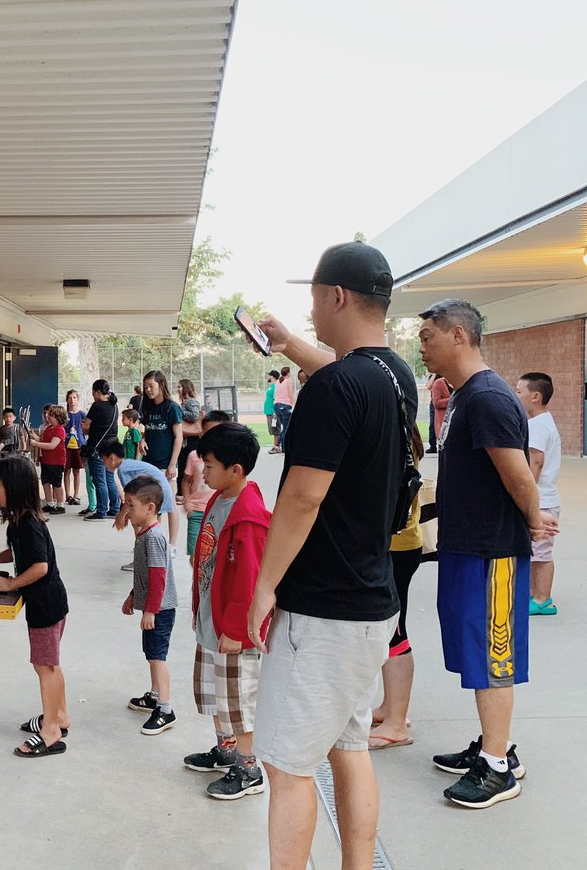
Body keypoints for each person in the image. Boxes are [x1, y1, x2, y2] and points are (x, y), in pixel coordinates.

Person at [248, 242, 413, 868]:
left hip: (320, 613)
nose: (312, 307)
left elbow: (302, 498)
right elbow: (346, 373)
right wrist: (290, 343)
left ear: (336, 296)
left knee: (287, 767)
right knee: (349, 748)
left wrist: (265, 587)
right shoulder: (394, 378)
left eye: (314, 295)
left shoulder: (334, 387)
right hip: (372, 603)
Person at [418, 299, 558, 808]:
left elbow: (518, 472)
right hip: (465, 546)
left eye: (429, 336)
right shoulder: (463, 396)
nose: (422, 346)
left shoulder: (488, 397)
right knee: (474, 655)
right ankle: (494, 747)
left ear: (459, 335)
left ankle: (498, 768)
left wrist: (534, 518)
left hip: (492, 552)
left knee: (493, 658)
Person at [183, 422, 271, 800]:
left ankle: (249, 769)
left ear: (236, 469)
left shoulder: (249, 516)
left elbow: (250, 583)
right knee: (217, 694)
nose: (204, 471)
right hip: (212, 619)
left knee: (238, 699)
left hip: (234, 630)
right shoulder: (220, 497)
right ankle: (227, 749)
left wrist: (237, 629)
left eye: (211, 465)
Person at [0, 457, 70, 757]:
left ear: (15, 489)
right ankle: (60, 716)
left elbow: (40, 566)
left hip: (45, 605)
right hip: (52, 602)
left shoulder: (28, 524)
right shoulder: (20, 521)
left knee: (45, 667)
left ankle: (51, 732)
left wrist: (11, 584)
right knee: (50, 664)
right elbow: (22, 552)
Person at [368, 425, 425, 751]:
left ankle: (396, 721)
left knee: (394, 631)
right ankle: (391, 709)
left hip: (395, 547)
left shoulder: (393, 435)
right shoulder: (404, 431)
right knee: (392, 629)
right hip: (400, 545)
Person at [119, 475, 179, 735]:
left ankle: (165, 709)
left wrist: (151, 610)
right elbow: (145, 573)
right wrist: (134, 595)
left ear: (150, 508)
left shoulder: (153, 537)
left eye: (131, 505)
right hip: (153, 607)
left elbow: (158, 576)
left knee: (157, 657)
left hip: (160, 609)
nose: (127, 511)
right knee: (151, 654)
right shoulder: (144, 534)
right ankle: (154, 696)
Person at [516, 372, 561, 616]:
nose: (516, 395)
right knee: (535, 551)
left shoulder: (538, 426)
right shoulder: (542, 422)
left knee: (542, 552)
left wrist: (526, 493)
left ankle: (543, 599)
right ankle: (534, 594)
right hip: (543, 497)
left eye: (519, 391)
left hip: (542, 499)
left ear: (535, 396)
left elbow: (536, 461)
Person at [98, 439, 176, 573]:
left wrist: (121, 516)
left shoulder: (123, 470)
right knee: (149, 525)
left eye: (103, 460)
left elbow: (130, 499)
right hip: (160, 493)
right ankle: (150, 555)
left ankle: (142, 560)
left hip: (157, 494)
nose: (104, 464)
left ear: (111, 458)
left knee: (138, 522)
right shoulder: (127, 465)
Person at [138, 370, 184, 550]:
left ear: (161, 385)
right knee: (152, 505)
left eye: (151, 386)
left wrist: (172, 464)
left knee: (170, 503)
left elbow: (178, 438)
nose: (148, 390)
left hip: (166, 465)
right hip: (150, 463)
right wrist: (142, 439)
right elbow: (147, 430)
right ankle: (154, 544)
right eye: (146, 387)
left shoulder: (172, 408)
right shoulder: (148, 407)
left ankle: (171, 545)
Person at [181, 411, 231, 562]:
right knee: (195, 556)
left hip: (221, 512)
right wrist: (187, 501)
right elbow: (186, 480)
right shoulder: (193, 456)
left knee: (217, 555)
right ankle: (199, 584)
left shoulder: (230, 458)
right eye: (207, 432)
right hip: (197, 512)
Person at [82, 379, 120, 520]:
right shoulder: (114, 405)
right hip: (113, 446)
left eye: (93, 392)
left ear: (98, 392)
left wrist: (89, 428)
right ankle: (115, 509)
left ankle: (101, 511)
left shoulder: (97, 406)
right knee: (109, 479)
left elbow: (86, 427)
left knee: (99, 480)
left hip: (98, 447)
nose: (93, 395)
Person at [32, 405, 68, 514]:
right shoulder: (48, 428)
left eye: (51, 415)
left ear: (58, 417)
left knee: (56, 483)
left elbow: (52, 445)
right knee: (45, 482)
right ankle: (49, 503)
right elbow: (42, 440)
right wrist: (33, 435)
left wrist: (36, 444)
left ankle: (60, 505)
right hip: (46, 460)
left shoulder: (59, 430)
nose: (48, 417)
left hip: (56, 461)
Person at [64, 390, 87, 506]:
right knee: (66, 470)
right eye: (70, 398)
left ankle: (76, 495)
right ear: (67, 400)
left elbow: (86, 429)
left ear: (77, 399)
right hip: (66, 445)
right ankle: (68, 495)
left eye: (74, 397)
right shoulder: (64, 415)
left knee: (76, 471)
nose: (72, 400)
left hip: (78, 445)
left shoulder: (83, 415)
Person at [272, 363, 295, 450]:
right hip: (286, 405)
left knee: (284, 426)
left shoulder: (278, 382)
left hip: (277, 405)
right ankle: (285, 448)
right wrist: (293, 405)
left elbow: (275, 395)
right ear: (288, 373)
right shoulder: (289, 381)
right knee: (286, 427)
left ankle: (279, 445)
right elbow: (291, 394)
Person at [430, 374, 451, 447]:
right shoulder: (438, 383)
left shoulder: (458, 383)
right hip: (444, 423)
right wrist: (452, 399)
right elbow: (436, 403)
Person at [264, 370, 281, 452]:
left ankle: (276, 446)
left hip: (273, 411)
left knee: (275, 429)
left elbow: (276, 399)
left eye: (269, 375)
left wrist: (275, 412)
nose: (268, 377)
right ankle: (275, 446)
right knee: (272, 429)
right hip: (268, 411)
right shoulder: (272, 386)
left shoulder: (277, 386)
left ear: (272, 376)